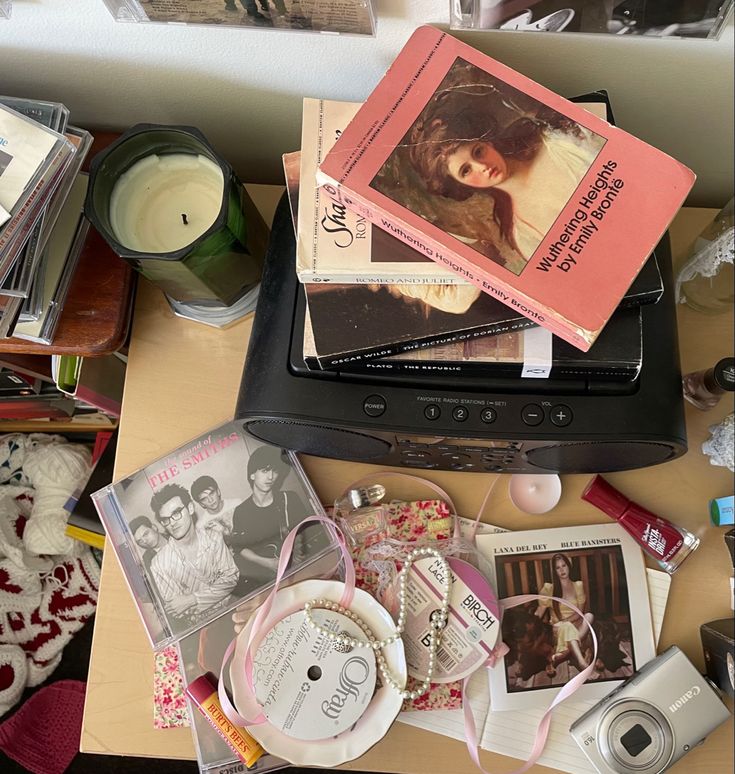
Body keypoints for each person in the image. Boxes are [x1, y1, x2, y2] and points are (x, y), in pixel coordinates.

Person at [407, 88, 605, 263]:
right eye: (466, 170)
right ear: (459, 184)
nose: (482, 166)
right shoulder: (522, 233)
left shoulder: (556, 142)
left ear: (489, 143)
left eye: (478, 152)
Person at [149, 483, 239, 625]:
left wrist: (192, 599)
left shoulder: (214, 537)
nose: (172, 523)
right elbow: (179, 610)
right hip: (203, 626)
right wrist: (218, 591)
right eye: (165, 519)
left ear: (190, 508)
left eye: (176, 513)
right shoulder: (159, 564)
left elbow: (232, 579)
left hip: (235, 608)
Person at [225, 446, 310, 585]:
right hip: (267, 579)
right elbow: (239, 547)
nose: (270, 477)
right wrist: (268, 563)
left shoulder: (289, 499)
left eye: (274, 471)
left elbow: (306, 530)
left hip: (300, 569)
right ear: (252, 475)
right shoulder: (242, 511)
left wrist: (298, 550)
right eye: (265, 471)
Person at [535, 553, 595, 675]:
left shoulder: (578, 585)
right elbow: (540, 611)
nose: (562, 570)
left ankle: (564, 653)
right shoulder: (549, 588)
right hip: (557, 628)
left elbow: (579, 613)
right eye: (558, 567)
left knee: (589, 616)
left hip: (575, 625)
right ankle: (582, 663)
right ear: (554, 571)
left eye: (564, 565)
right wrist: (530, 622)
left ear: (569, 566)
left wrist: (566, 621)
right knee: (566, 627)